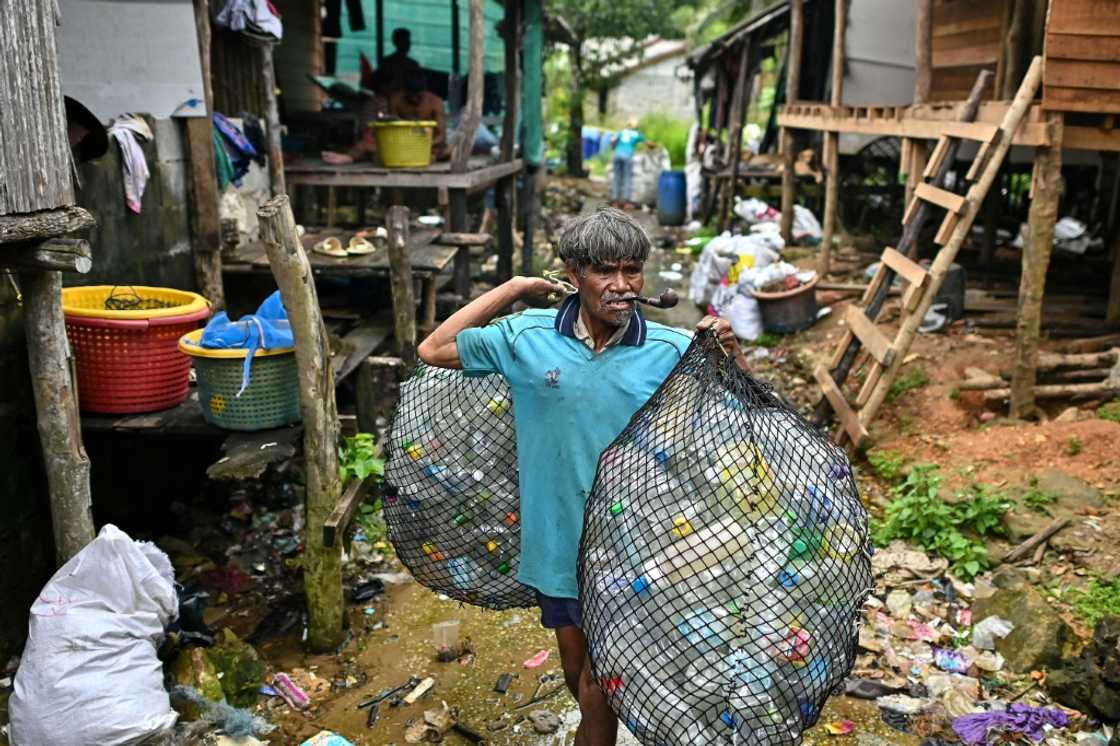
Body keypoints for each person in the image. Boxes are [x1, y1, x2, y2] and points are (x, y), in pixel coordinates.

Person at [417, 208, 747, 745]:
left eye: (632, 271)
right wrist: (516, 286)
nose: (621, 286)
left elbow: (751, 413)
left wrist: (735, 356)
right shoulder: (526, 338)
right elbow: (433, 349)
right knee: (578, 674)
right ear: (573, 272)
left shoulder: (670, 350)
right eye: (604, 272)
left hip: (638, 545)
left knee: (601, 682)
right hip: (556, 541)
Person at [388, 68, 449, 160]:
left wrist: (424, 144)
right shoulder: (396, 100)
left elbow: (441, 135)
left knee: (448, 151)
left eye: (418, 96)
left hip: (430, 145)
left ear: (425, 91)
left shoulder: (435, 102)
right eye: (410, 96)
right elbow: (391, 128)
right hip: (403, 145)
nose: (414, 99)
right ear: (404, 90)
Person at [373, 28, 421, 96]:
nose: (408, 43)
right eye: (405, 40)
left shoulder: (413, 64)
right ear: (396, 42)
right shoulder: (387, 63)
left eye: (408, 40)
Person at [610, 119, 645, 207]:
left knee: (617, 178)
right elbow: (643, 139)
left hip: (617, 155)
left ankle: (615, 201)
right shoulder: (635, 134)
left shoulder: (622, 132)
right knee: (627, 178)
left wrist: (614, 148)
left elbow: (613, 140)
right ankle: (626, 202)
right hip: (627, 156)